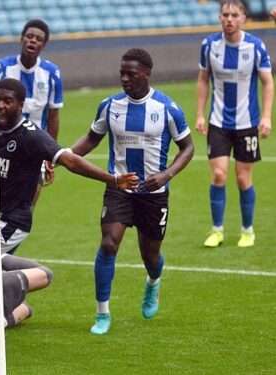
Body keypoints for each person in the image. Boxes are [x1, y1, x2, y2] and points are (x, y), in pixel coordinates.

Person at [0, 78, 138, 351]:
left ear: (21, 104)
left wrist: (112, 180)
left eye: (7, 101)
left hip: (10, 221)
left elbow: (70, 160)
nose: (0, 105)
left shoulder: (32, 135)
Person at [71, 48, 194, 335]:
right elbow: (91, 139)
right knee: (108, 243)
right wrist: (62, 155)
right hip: (119, 188)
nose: (125, 79)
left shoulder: (167, 108)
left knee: (150, 257)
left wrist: (166, 174)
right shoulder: (109, 106)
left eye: (131, 74)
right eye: (122, 73)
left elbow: (188, 147)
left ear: (147, 73)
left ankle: (153, 282)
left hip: (154, 194)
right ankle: (102, 314)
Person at [196, 0, 272, 248]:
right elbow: (203, 80)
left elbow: (267, 82)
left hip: (247, 122)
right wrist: (199, 113)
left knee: (242, 178)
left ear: (244, 18)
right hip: (218, 122)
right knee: (218, 174)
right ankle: (217, 230)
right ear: (220, 17)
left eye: (234, 15)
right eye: (225, 14)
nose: (229, 19)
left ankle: (247, 230)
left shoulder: (255, 46)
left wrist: (266, 116)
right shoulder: (209, 45)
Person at [0, 19, 62, 208]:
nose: (33, 41)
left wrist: (50, 153)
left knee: (25, 208)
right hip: (4, 146)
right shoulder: (2, 69)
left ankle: (8, 237)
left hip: (35, 147)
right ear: (21, 39)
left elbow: (53, 115)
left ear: (44, 44)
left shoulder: (52, 73)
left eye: (38, 39)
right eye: (29, 36)